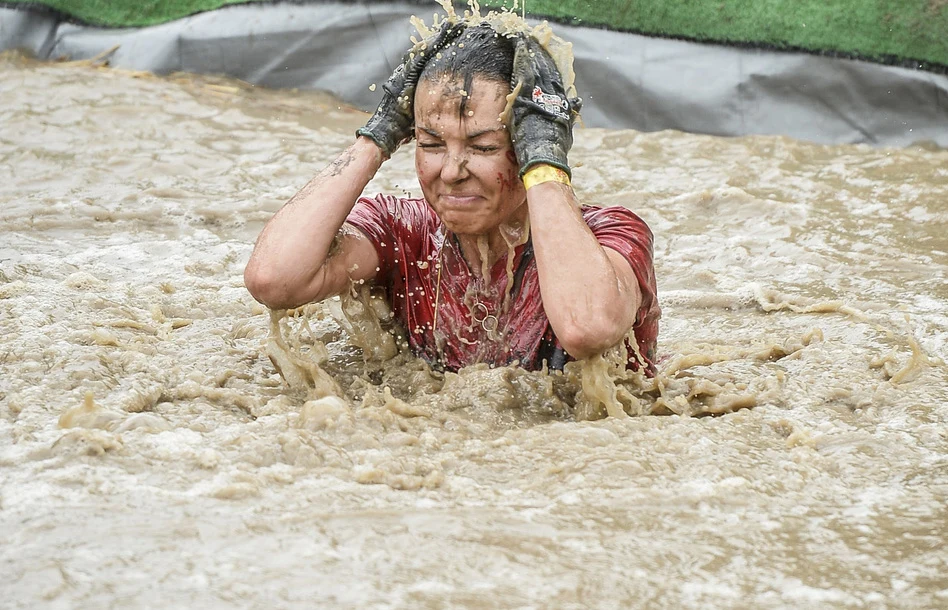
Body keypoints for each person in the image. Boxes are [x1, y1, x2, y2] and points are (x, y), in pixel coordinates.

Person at [244, 21, 659, 373]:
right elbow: (275, 280)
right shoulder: (403, 233)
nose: (451, 172)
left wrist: (547, 160)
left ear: (528, 148)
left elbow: (585, 328)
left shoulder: (612, 236)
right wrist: (377, 137)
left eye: (483, 148)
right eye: (430, 144)